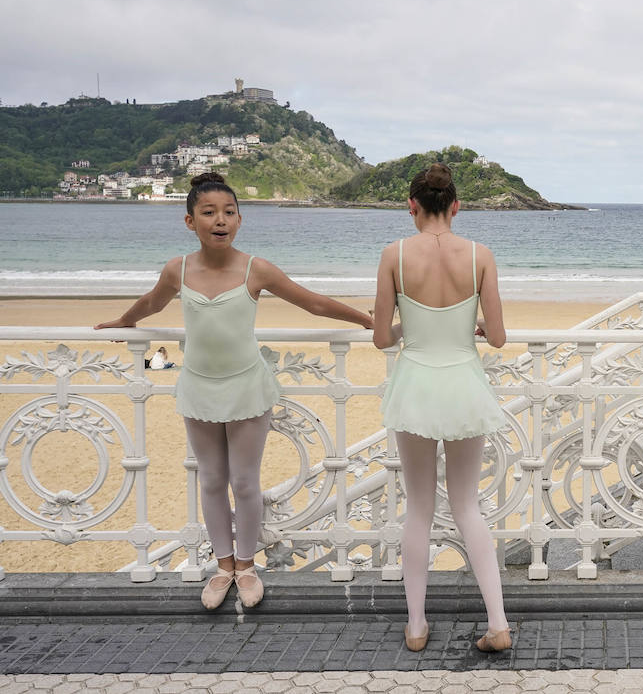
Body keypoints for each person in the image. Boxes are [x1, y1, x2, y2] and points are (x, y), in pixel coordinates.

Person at [97, 172, 373, 608]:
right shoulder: (178, 269)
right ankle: (222, 566)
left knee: (245, 483)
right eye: (209, 213)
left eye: (228, 213)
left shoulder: (255, 269)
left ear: (240, 221)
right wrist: (126, 321)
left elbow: (312, 302)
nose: (219, 220)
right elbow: (152, 302)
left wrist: (366, 320)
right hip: (199, 387)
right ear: (190, 221)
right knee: (211, 480)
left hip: (247, 385)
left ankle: (246, 566)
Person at [372, 163, 511, 653]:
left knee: (419, 508)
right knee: (467, 504)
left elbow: (379, 337)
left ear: (412, 206)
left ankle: (415, 625)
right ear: (456, 206)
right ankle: (497, 623)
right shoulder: (480, 255)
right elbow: (496, 336)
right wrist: (464, 328)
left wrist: (414, 326)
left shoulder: (394, 255)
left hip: (415, 381)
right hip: (462, 381)